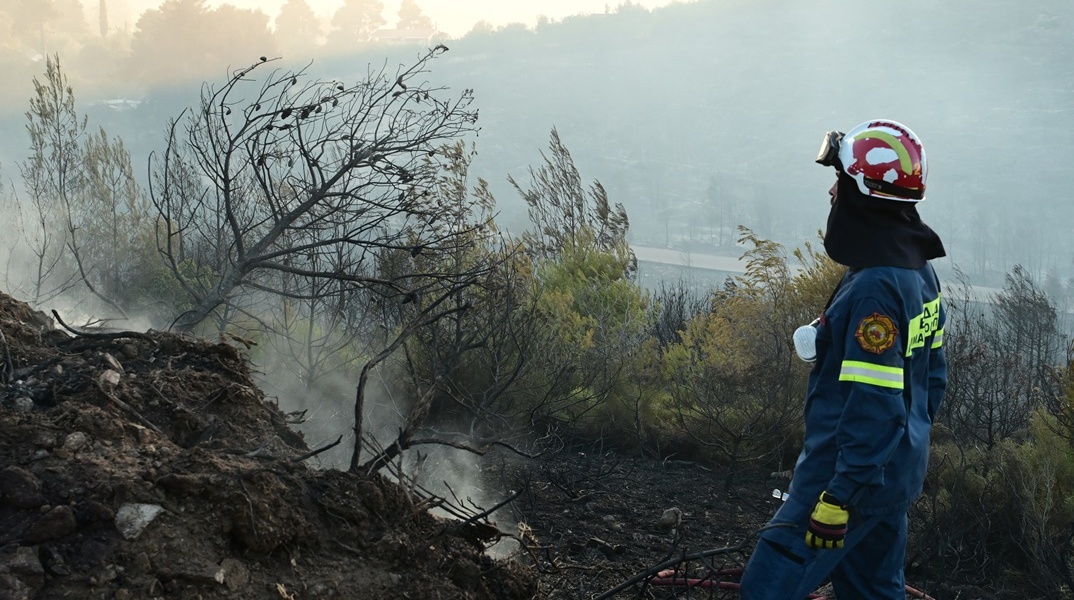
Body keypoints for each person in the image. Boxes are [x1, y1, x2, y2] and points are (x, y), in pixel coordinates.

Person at [739, 119, 948, 600]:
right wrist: (901, 449)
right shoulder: (918, 272)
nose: (833, 191)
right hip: (891, 475)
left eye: (841, 180)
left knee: (766, 589)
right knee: (871, 592)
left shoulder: (875, 288)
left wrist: (839, 495)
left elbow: (875, 404)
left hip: (843, 479)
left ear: (865, 194)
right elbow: (932, 379)